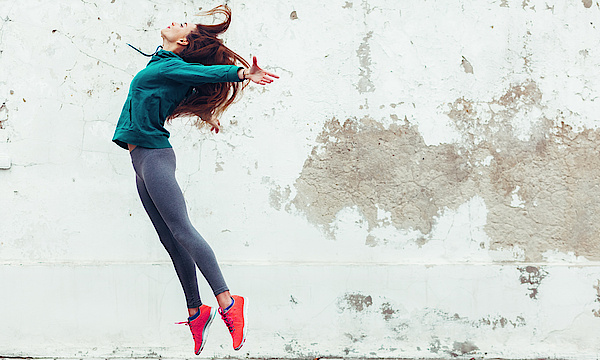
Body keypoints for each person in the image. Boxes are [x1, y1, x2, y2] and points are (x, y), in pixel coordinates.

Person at [112, 5, 278, 355]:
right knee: (171, 240)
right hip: (140, 158)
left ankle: (229, 303)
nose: (175, 21)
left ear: (184, 40)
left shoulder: (173, 65)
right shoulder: (161, 64)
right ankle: (196, 311)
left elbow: (204, 75)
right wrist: (206, 111)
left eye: (182, 24)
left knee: (183, 230)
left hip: (154, 156)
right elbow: (184, 86)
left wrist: (242, 73)